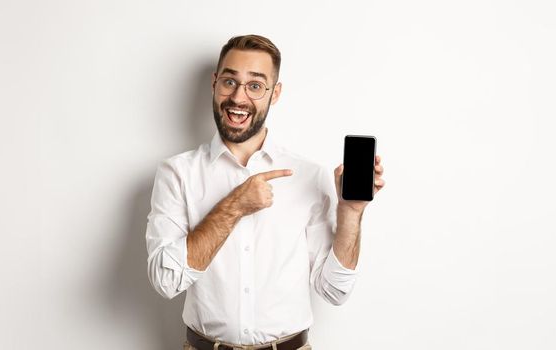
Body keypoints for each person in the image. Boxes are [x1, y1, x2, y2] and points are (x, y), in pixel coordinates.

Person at [145, 34, 385, 350]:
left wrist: (351, 213)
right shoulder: (177, 173)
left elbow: (334, 291)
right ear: (215, 84)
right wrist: (233, 206)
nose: (239, 98)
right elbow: (166, 282)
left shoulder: (309, 175)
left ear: (275, 94)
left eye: (256, 86)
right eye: (230, 82)